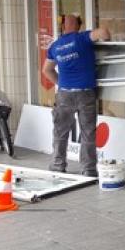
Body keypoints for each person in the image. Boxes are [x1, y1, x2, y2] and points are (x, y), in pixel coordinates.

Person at [42, 14, 110, 177]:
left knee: (60, 131)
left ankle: (58, 165)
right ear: (78, 25)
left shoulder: (55, 46)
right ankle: (88, 169)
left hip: (65, 94)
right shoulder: (82, 38)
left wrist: (62, 83)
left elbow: (46, 70)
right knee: (88, 132)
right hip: (85, 93)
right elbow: (104, 33)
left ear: (63, 26)